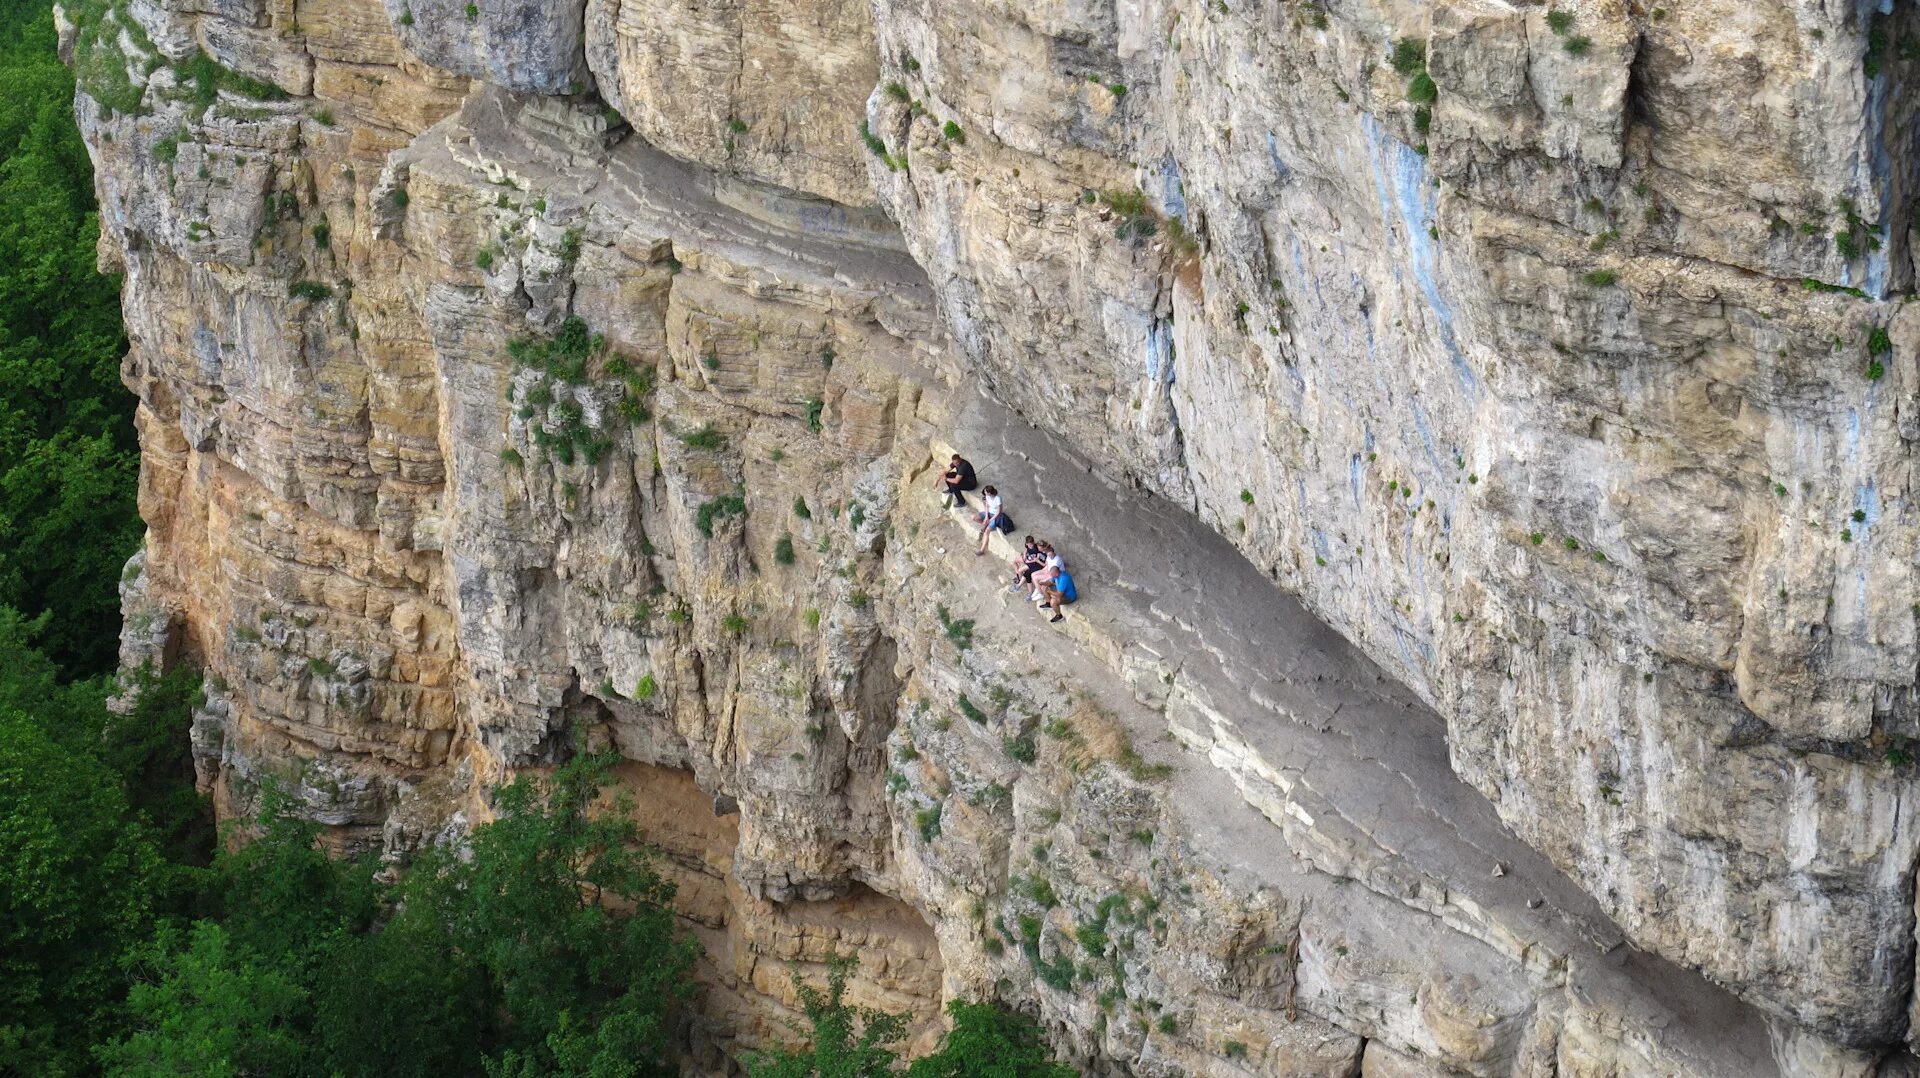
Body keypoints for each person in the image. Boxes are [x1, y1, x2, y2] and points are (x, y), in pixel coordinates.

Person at [974, 486, 1004, 555]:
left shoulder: (997, 499)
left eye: (985, 492)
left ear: (989, 493)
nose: (984, 493)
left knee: (986, 532)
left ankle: (982, 550)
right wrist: (986, 517)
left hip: (996, 516)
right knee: (974, 517)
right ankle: (986, 524)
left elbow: (998, 512)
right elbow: (987, 507)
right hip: (989, 513)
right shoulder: (987, 497)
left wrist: (990, 520)